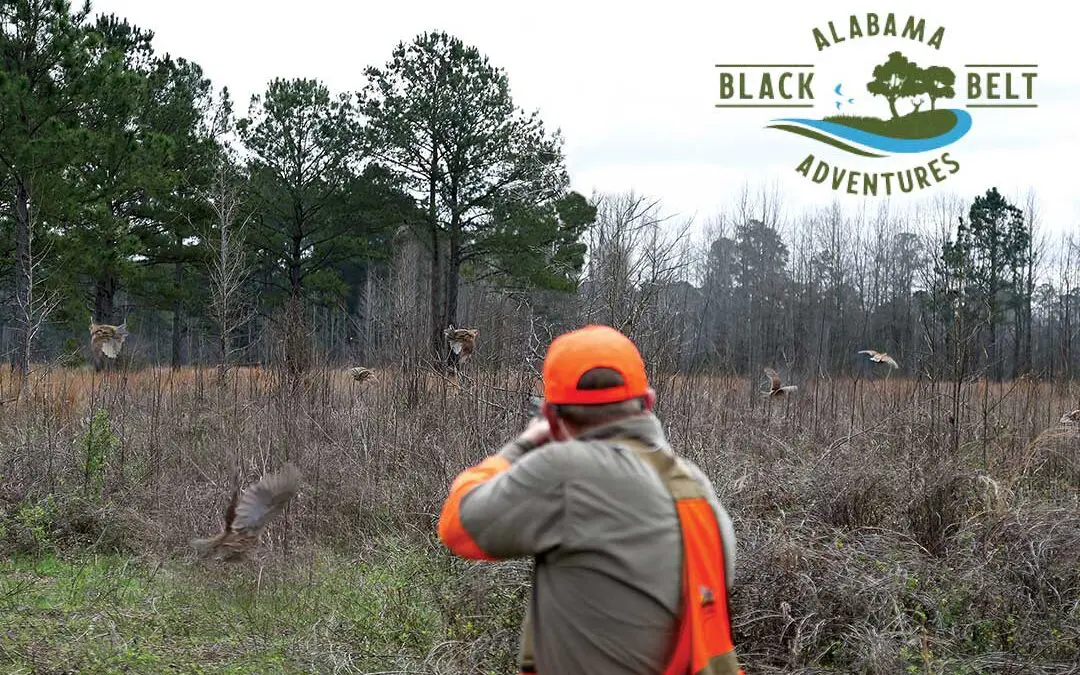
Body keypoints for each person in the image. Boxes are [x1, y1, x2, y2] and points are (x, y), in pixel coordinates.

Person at [437, 324, 745, 674]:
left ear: (552, 415)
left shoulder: (565, 470)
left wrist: (524, 444)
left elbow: (458, 526)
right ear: (648, 402)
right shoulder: (696, 487)